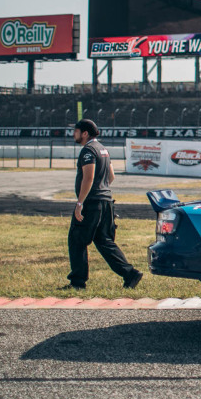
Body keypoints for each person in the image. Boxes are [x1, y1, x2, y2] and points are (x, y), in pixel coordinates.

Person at [64, 119, 143, 290]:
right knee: (104, 241)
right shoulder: (102, 149)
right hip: (106, 202)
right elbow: (111, 175)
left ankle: (77, 282)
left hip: (91, 203)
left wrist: (80, 203)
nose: (73, 134)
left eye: (76, 131)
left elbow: (89, 177)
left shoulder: (88, 150)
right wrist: (102, 189)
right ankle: (130, 274)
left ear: (85, 133)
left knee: (77, 240)